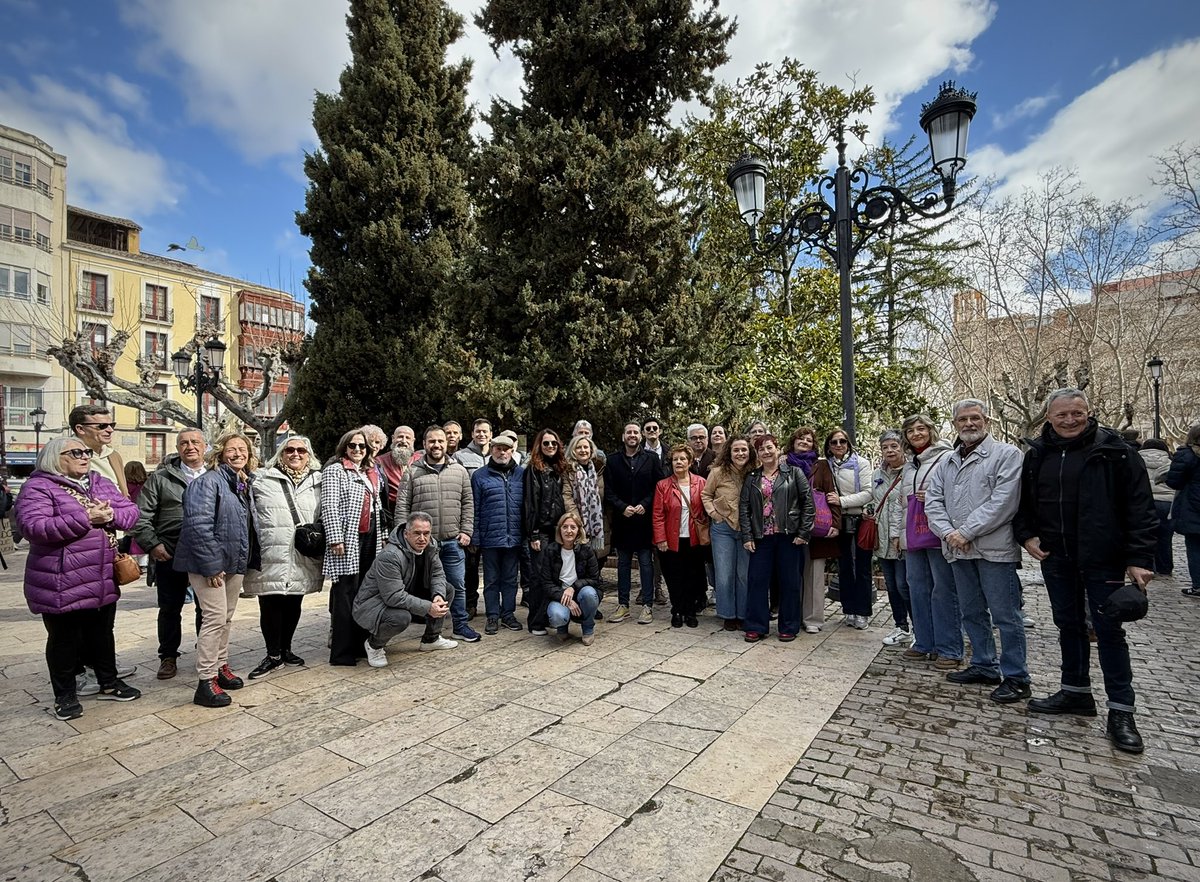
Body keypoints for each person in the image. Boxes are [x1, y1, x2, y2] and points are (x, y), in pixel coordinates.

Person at [1014, 388, 1157, 753]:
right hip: (1056, 556)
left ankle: (1121, 712)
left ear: (1088, 413)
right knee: (1069, 625)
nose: (1070, 420)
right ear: (1049, 417)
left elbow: (1140, 507)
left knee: (1108, 631)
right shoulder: (1037, 454)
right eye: (1062, 414)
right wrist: (1027, 535)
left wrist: (1140, 557)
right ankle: (1075, 691)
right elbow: (1025, 502)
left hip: (1103, 556)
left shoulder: (1116, 452)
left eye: (1077, 413)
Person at [16, 438, 142, 720]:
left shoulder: (98, 481)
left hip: (102, 574)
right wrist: (86, 518)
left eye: (86, 452)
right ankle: (65, 695)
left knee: (102, 634)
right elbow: (33, 527)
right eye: (76, 452)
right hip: (62, 578)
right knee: (64, 640)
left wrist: (111, 515)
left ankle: (109, 682)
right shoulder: (39, 487)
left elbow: (131, 511)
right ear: (54, 457)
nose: (85, 456)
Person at [925, 400, 1030, 704]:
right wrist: (949, 533)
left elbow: (1004, 501)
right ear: (954, 424)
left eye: (974, 418)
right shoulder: (946, 462)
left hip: (993, 549)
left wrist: (966, 532)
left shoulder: (1007, 455)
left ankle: (1017, 677)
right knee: (971, 611)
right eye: (962, 419)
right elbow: (933, 502)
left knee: (1006, 615)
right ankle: (984, 664)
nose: (969, 424)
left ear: (987, 420)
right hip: (958, 549)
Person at [173, 432, 257, 708]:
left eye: (243, 449)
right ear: (220, 453)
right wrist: (212, 566)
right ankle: (206, 681)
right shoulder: (208, 482)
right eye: (231, 449)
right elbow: (198, 526)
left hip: (233, 562)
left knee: (226, 618)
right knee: (214, 618)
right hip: (209, 565)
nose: (238, 454)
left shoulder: (240, 483)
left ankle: (221, 666)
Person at [242, 436, 324, 679]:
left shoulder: (319, 482)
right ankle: (273, 654)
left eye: (301, 450)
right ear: (281, 454)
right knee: (270, 603)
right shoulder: (260, 479)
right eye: (289, 450)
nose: (295, 454)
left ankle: (286, 649)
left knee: (294, 603)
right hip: (271, 552)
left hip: (301, 554)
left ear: (309, 455)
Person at [130, 429, 208, 680]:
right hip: (170, 552)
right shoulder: (160, 478)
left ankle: (206, 653)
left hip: (207, 554)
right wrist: (153, 545)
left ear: (205, 446)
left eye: (195, 442)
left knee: (207, 609)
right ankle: (168, 656)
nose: (190, 447)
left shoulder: (217, 474)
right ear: (177, 448)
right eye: (184, 443)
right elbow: (140, 516)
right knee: (170, 609)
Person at [396, 425, 479, 643]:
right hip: (424, 544)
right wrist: (403, 537)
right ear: (424, 444)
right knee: (428, 588)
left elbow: (468, 503)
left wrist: (466, 531)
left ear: (447, 443)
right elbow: (402, 507)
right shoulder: (412, 472)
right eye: (432, 441)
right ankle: (432, 633)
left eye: (440, 441)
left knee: (457, 586)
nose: (436, 445)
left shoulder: (459, 471)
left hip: (452, 541)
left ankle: (460, 626)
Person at [898, 414, 961, 670]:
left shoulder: (946, 457)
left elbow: (958, 491)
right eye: (911, 430)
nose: (916, 434)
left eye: (921, 428)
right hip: (914, 534)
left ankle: (949, 648)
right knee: (917, 588)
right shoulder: (909, 465)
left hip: (938, 532)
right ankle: (924, 642)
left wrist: (936, 495)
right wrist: (900, 536)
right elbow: (902, 504)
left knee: (943, 590)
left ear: (931, 431)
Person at [739, 434, 815, 642]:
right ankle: (756, 626)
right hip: (761, 537)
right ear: (757, 453)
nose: (766, 452)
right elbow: (744, 508)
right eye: (761, 449)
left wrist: (803, 533)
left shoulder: (794, 473)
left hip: (789, 536)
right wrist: (747, 536)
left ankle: (789, 626)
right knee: (757, 581)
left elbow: (808, 503)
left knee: (790, 582)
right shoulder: (752, 477)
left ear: (777, 448)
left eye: (769, 447)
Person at [354, 512, 457, 666]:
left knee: (447, 590)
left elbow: (438, 574)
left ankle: (431, 639)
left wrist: (438, 596)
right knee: (401, 618)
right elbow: (393, 596)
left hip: (406, 591)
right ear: (406, 534)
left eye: (426, 533)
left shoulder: (431, 546)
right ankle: (374, 645)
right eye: (417, 533)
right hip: (373, 604)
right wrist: (428, 607)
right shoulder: (390, 555)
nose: (422, 538)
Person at [322, 428, 385, 666]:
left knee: (364, 592)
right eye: (352, 445)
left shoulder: (369, 471)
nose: (357, 449)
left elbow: (378, 507)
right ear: (344, 447)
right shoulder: (335, 470)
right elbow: (329, 506)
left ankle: (360, 644)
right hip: (347, 539)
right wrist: (335, 538)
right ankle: (342, 652)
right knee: (345, 594)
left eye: (362, 446)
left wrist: (383, 536)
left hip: (371, 537)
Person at [786, 427, 842, 634]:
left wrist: (836, 523)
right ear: (792, 441)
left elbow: (831, 493)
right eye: (800, 438)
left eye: (808, 440)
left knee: (814, 574)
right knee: (790, 573)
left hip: (816, 527)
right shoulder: (783, 463)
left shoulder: (821, 465)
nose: (804, 442)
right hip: (789, 526)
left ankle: (813, 619)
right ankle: (792, 615)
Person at [605, 422, 663, 624]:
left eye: (635, 432)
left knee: (646, 563)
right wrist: (622, 507)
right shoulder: (612, 460)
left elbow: (658, 486)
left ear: (640, 436)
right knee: (623, 564)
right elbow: (608, 490)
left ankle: (647, 605)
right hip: (623, 520)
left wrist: (645, 504)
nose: (632, 435)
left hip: (644, 521)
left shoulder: (652, 458)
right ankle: (623, 605)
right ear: (623, 436)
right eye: (628, 432)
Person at [472, 430, 525, 634]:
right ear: (492, 450)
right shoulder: (480, 476)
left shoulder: (522, 474)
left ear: (512, 452)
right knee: (491, 579)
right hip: (490, 538)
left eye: (506, 449)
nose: (502, 452)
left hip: (514, 537)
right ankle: (492, 615)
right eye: (498, 449)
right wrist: (476, 536)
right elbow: (475, 508)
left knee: (511, 579)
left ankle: (508, 614)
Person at [653, 444, 709, 627]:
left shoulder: (701, 483)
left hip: (694, 539)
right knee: (674, 577)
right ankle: (677, 610)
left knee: (692, 577)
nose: (678, 462)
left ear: (690, 462)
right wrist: (660, 538)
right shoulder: (663, 485)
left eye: (682, 459)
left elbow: (707, 509)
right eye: (675, 459)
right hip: (671, 540)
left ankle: (690, 611)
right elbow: (658, 514)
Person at [703, 435, 755, 630]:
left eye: (744, 450)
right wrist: (714, 514)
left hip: (747, 530)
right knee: (724, 574)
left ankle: (742, 613)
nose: (740, 453)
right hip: (723, 529)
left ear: (749, 452)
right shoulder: (717, 472)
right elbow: (706, 495)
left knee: (744, 574)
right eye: (736, 450)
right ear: (729, 452)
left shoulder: (755, 472)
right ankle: (727, 614)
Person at [825, 428, 873, 629]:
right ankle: (849, 609)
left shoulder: (861, 463)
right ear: (828, 446)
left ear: (848, 444)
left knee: (862, 567)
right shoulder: (825, 465)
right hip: (837, 521)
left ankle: (862, 611)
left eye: (842, 441)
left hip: (859, 519)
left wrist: (842, 501)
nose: (839, 445)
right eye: (834, 442)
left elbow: (868, 492)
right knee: (843, 567)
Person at [523, 428, 569, 634]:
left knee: (555, 574)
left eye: (553, 443)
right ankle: (536, 622)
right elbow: (530, 503)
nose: (550, 446)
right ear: (539, 446)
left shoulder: (560, 468)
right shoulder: (533, 469)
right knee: (539, 576)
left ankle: (550, 616)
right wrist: (533, 533)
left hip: (558, 529)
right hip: (540, 530)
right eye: (546, 443)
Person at [536, 512, 601, 644]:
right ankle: (562, 627)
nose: (569, 531)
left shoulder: (587, 549)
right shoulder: (550, 550)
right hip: (559, 595)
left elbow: (595, 579)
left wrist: (573, 588)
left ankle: (588, 628)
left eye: (573, 527)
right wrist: (565, 598)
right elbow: (546, 583)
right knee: (557, 616)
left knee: (589, 594)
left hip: (581, 592)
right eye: (565, 527)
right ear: (559, 529)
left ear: (579, 530)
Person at [871, 430, 910, 647]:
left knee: (905, 585)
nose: (890, 451)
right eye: (885, 447)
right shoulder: (877, 474)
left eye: (894, 446)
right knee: (892, 586)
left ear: (903, 447)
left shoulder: (911, 472)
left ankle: (920, 628)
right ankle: (901, 626)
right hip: (882, 539)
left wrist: (899, 535)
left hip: (902, 539)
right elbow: (874, 499)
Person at [455, 419, 492, 619]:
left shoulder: (497, 454)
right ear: (472, 434)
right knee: (470, 567)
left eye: (485, 431)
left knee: (493, 567)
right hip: (471, 519)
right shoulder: (460, 456)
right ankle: (470, 604)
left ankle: (494, 606)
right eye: (478, 431)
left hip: (492, 520)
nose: (481, 435)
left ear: (491, 434)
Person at [1166, 425, 1200, 598]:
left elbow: (1174, 481)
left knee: (1194, 547)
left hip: (1193, 506)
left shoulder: (1186, 455)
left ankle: (1198, 585)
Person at [69, 404, 128, 497]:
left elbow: (124, 492)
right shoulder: (65, 456)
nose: (110, 430)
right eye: (102, 426)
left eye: (112, 425)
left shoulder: (113, 455)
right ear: (80, 429)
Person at [1139, 438, 1176, 577]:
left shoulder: (1136, 460)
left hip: (1145, 502)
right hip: (1167, 502)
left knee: (1145, 535)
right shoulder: (1171, 462)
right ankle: (1165, 567)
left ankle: (1149, 566)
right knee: (1166, 537)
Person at [563, 434, 606, 555]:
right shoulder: (568, 470)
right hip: (575, 523)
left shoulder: (599, 469)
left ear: (591, 450)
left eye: (586, 447)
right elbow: (567, 496)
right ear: (573, 450)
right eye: (579, 447)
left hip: (598, 522)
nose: (583, 450)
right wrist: (577, 521)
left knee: (596, 559)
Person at [379, 425, 417, 514]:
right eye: (400, 437)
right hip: (390, 514)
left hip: (416, 513)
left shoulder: (421, 460)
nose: (403, 441)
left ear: (413, 441)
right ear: (393, 438)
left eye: (408, 438)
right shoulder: (379, 462)